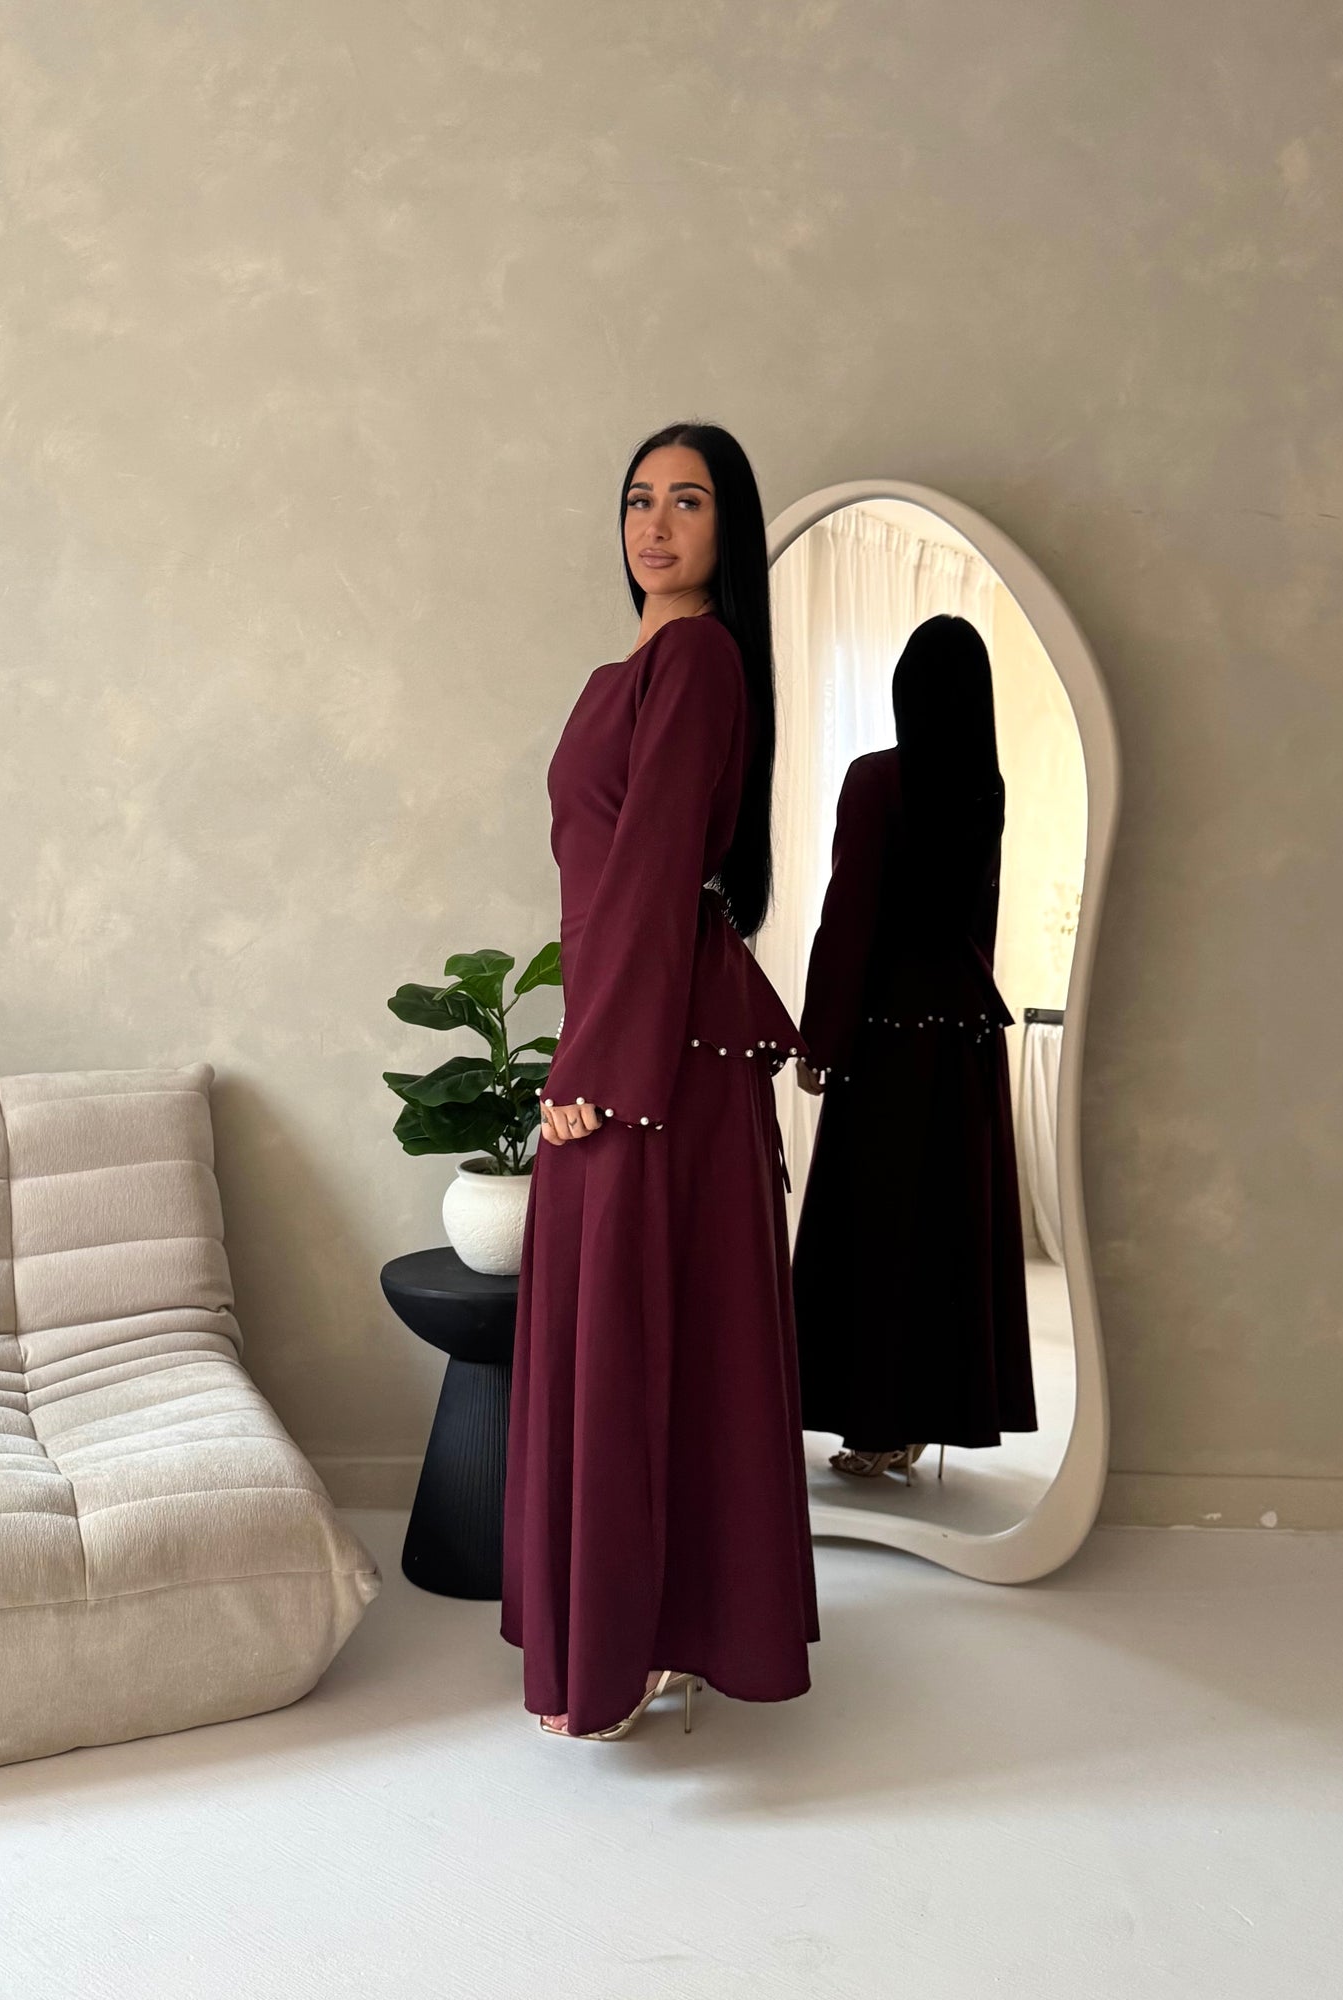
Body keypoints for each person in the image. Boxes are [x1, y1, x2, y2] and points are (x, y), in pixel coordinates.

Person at [500, 422, 820, 1740]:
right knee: (640, 1334)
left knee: (644, 1335)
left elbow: (651, 868)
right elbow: (600, 881)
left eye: (688, 501)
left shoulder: (700, 657)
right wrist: (588, 1040)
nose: (655, 523)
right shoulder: (618, 675)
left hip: (654, 1054)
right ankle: (639, 1636)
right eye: (639, 499)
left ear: (726, 528)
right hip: (630, 1029)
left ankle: (642, 1644)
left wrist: (594, 1064)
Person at [791, 615, 1037, 1480]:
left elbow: (849, 917)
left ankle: (874, 1426)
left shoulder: (876, 779)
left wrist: (820, 1038)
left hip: (887, 1041)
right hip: (965, 1040)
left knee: (880, 1231)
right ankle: (915, 1422)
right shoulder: (985, 787)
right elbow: (980, 925)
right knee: (941, 1236)